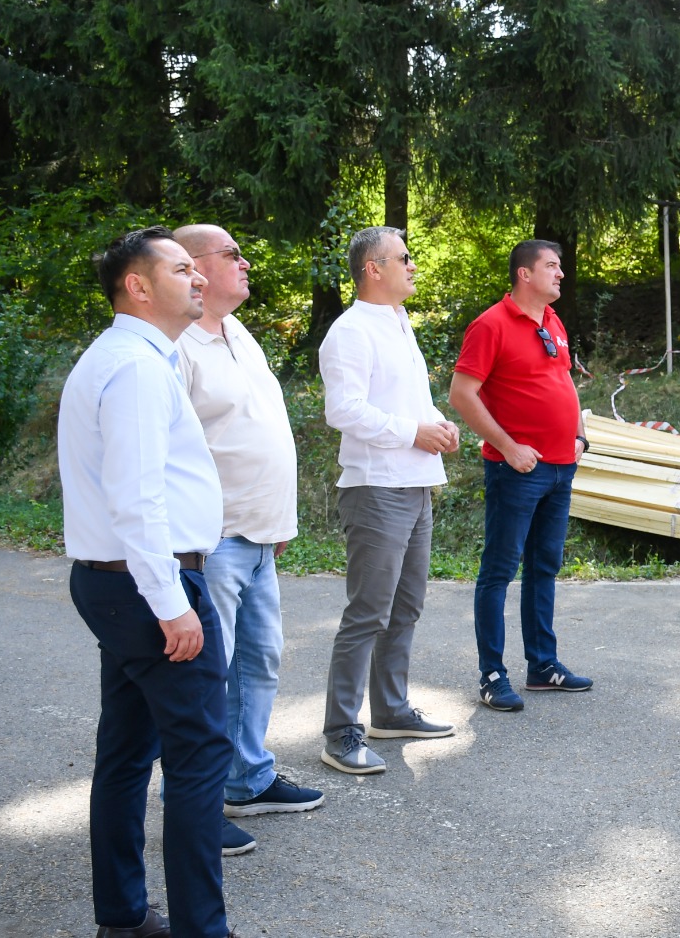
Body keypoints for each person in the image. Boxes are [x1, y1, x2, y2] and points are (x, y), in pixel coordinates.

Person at [59, 227, 237, 938]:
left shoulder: (130, 358)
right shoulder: (133, 367)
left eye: (200, 269)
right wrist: (172, 604)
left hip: (123, 582)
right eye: (182, 269)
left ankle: (125, 917)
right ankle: (202, 928)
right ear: (138, 285)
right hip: (150, 587)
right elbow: (136, 500)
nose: (199, 279)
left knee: (129, 751)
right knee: (199, 757)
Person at [174, 224, 324, 855]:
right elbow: (170, 456)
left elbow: (257, 431)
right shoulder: (176, 347)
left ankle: (247, 777)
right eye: (232, 254)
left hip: (260, 538)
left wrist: (278, 522)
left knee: (258, 663)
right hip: (213, 542)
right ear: (195, 270)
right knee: (207, 679)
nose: (245, 262)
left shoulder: (238, 334)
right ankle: (197, 805)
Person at [318, 226, 459, 775]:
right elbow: (344, 411)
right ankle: (340, 732)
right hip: (376, 489)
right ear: (372, 269)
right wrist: (412, 432)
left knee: (406, 608)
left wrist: (437, 427)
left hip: (414, 484)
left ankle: (391, 710)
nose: (413, 265)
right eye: (403, 258)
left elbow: (406, 404)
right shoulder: (350, 331)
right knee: (367, 615)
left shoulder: (398, 323)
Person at [449, 239, 592, 713]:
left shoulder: (552, 321)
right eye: (552, 266)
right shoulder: (490, 325)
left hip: (559, 467)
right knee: (498, 572)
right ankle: (492, 674)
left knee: (544, 567)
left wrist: (579, 436)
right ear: (524, 275)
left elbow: (564, 382)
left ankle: (543, 665)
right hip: (518, 470)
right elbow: (463, 394)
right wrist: (509, 448)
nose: (561, 273)